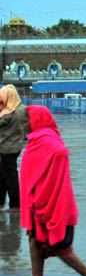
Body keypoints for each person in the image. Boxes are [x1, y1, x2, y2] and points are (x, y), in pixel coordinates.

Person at [12, 106, 86, 276]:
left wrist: (43, 195)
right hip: (36, 201)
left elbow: (60, 155)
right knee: (34, 240)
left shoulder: (47, 141)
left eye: (26, 122)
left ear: (36, 120)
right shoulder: (39, 138)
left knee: (57, 245)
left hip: (49, 202)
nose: (24, 127)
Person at [0, 85, 27, 213]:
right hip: (15, 146)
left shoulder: (8, 113)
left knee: (10, 177)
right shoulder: (21, 109)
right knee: (3, 175)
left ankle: (16, 205)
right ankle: (1, 201)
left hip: (7, 147)